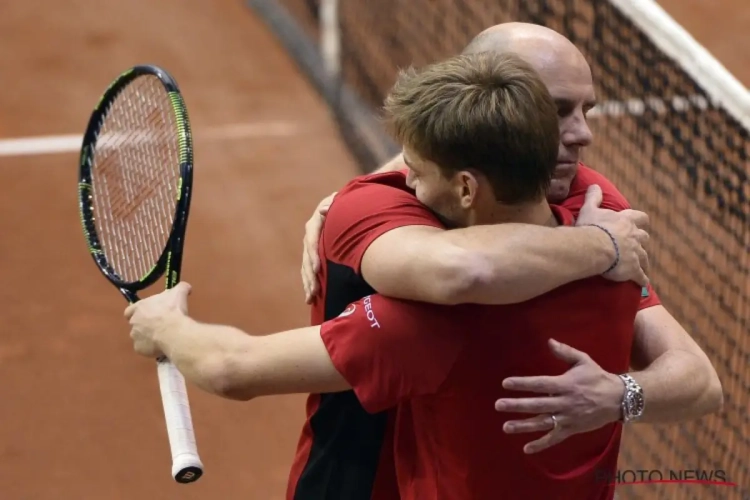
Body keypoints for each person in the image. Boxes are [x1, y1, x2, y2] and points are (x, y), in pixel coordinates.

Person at [127, 51, 650, 499]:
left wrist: (165, 327)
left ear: (467, 189)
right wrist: (624, 387)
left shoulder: (425, 323)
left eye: (416, 175)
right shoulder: (615, 253)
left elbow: (231, 368)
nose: (406, 188)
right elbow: (696, 380)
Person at [295, 21, 723, 499]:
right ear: (497, 102)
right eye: (558, 111)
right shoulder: (382, 205)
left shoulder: (592, 203)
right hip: (356, 477)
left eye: (587, 110)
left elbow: (698, 378)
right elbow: (461, 271)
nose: (583, 134)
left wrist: (619, 395)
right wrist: (602, 247)